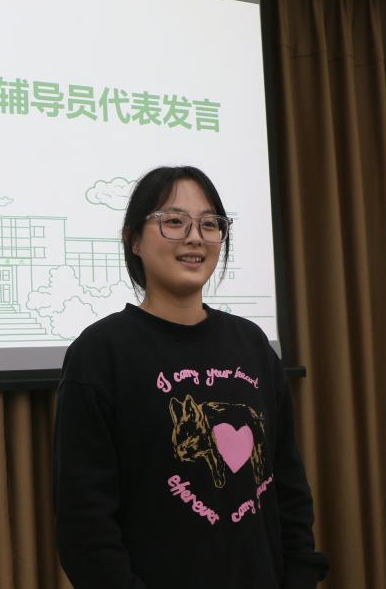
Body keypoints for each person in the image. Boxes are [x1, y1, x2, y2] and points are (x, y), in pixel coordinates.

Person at [53, 166, 328, 588]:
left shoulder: (252, 345)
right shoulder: (100, 353)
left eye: (209, 224)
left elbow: (287, 486)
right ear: (133, 239)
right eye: (174, 221)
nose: (195, 237)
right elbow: (84, 522)